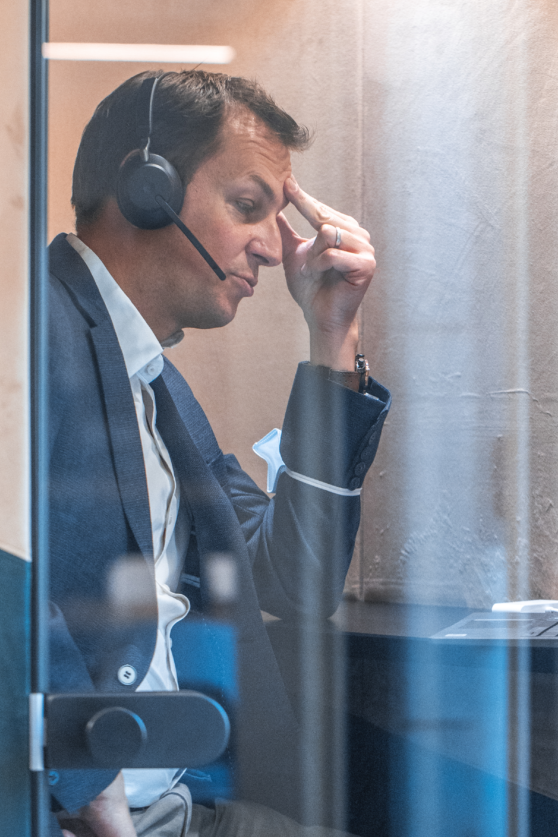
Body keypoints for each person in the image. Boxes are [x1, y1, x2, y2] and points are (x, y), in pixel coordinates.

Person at [47, 71, 390, 837]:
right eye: (247, 208)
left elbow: (293, 576)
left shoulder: (153, 384)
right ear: (146, 188)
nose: (273, 247)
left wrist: (332, 336)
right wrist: (90, 789)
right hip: (84, 814)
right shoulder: (36, 329)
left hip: (164, 802)